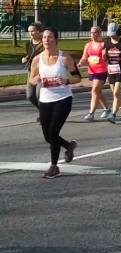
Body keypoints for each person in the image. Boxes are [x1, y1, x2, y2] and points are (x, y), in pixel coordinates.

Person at [28, 27, 81, 179]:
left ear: (56, 40)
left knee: (53, 134)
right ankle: (68, 146)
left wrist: (66, 80)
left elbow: (78, 77)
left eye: (50, 37)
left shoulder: (64, 58)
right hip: (45, 100)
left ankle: (54, 167)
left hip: (63, 99)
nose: (46, 40)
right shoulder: (37, 59)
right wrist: (35, 80)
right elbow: (31, 79)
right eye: (44, 37)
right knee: (47, 136)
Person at [78, 26, 111, 121]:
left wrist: (104, 56)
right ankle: (107, 109)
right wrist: (80, 63)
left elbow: (106, 58)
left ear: (99, 33)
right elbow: (84, 57)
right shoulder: (88, 45)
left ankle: (91, 113)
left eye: (95, 33)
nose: (93, 35)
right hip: (91, 71)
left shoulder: (103, 44)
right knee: (98, 92)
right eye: (91, 33)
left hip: (101, 71)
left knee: (94, 91)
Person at [23, 22, 44, 122]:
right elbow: (29, 55)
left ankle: (43, 114)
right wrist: (25, 58)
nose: (31, 33)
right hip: (31, 72)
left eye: (33, 31)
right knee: (30, 96)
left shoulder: (44, 43)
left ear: (39, 31)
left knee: (39, 94)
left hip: (42, 72)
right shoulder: (29, 43)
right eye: (29, 31)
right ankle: (43, 110)